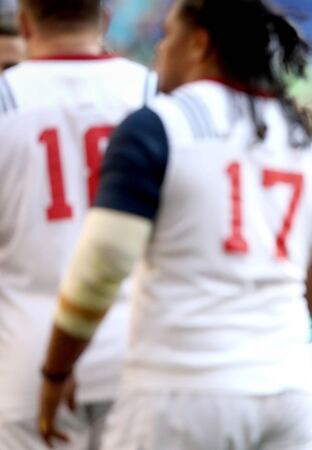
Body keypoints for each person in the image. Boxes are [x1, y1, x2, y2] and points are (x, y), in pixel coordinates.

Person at [36, 1, 312, 449]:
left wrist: (55, 371)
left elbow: (101, 266)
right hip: (291, 391)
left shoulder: (158, 125)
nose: (159, 48)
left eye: (168, 33)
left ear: (199, 44)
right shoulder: (300, 137)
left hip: (184, 390)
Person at [0, 0, 151, 448]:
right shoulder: (153, 93)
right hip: (138, 352)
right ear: (105, 19)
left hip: (26, 352)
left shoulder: (6, 98)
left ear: (25, 20)